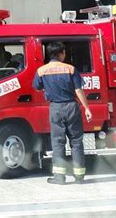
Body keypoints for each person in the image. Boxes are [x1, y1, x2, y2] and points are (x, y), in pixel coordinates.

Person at [33, 42, 92, 185]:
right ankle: (79, 177)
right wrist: (87, 108)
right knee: (76, 141)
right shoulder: (70, 69)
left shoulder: (41, 71)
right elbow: (78, 90)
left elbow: (37, 87)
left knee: (58, 142)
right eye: (64, 52)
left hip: (55, 108)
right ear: (61, 54)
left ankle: (59, 177)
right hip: (72, 106)